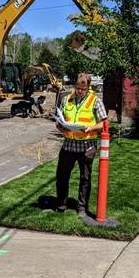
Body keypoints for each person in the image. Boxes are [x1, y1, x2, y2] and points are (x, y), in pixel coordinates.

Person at [55, 73, 107, 217]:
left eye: (83, 89)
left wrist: (92, 128)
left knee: (85, 178)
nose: (79, 91)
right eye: (77, 87)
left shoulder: (95, 101)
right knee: (62, 176)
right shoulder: (67, 99)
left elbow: (104, 122)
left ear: (88, 87)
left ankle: (82, 208)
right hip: (68, 145)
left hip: (87, 146)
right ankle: (61, 204)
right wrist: (60, 127)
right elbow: (59, 119)